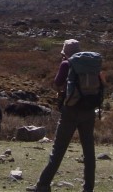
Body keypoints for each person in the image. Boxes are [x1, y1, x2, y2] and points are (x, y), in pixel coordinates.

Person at [32, 39, 103, 192]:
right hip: (89, 111)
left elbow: (57, 82)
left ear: (66, 53)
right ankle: (88, 188)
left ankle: (43, 185)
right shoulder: (92, 63)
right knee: (89, 151)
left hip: (70, 111)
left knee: (58, 150)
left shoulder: (67, 64)